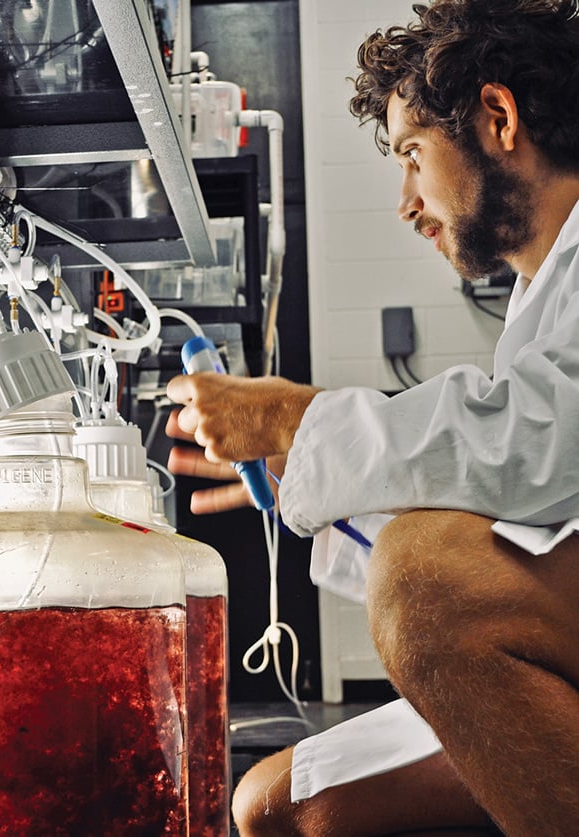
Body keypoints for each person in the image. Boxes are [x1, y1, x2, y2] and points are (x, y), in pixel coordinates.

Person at [166, 0, 579, 834]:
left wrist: (301, 420)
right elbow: (520, 501)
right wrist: (310, 476)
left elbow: (550, 439)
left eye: (413, 157)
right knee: (277, 805)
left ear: (498, 118)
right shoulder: (542, 296)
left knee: (425, 574)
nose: (407, 200)